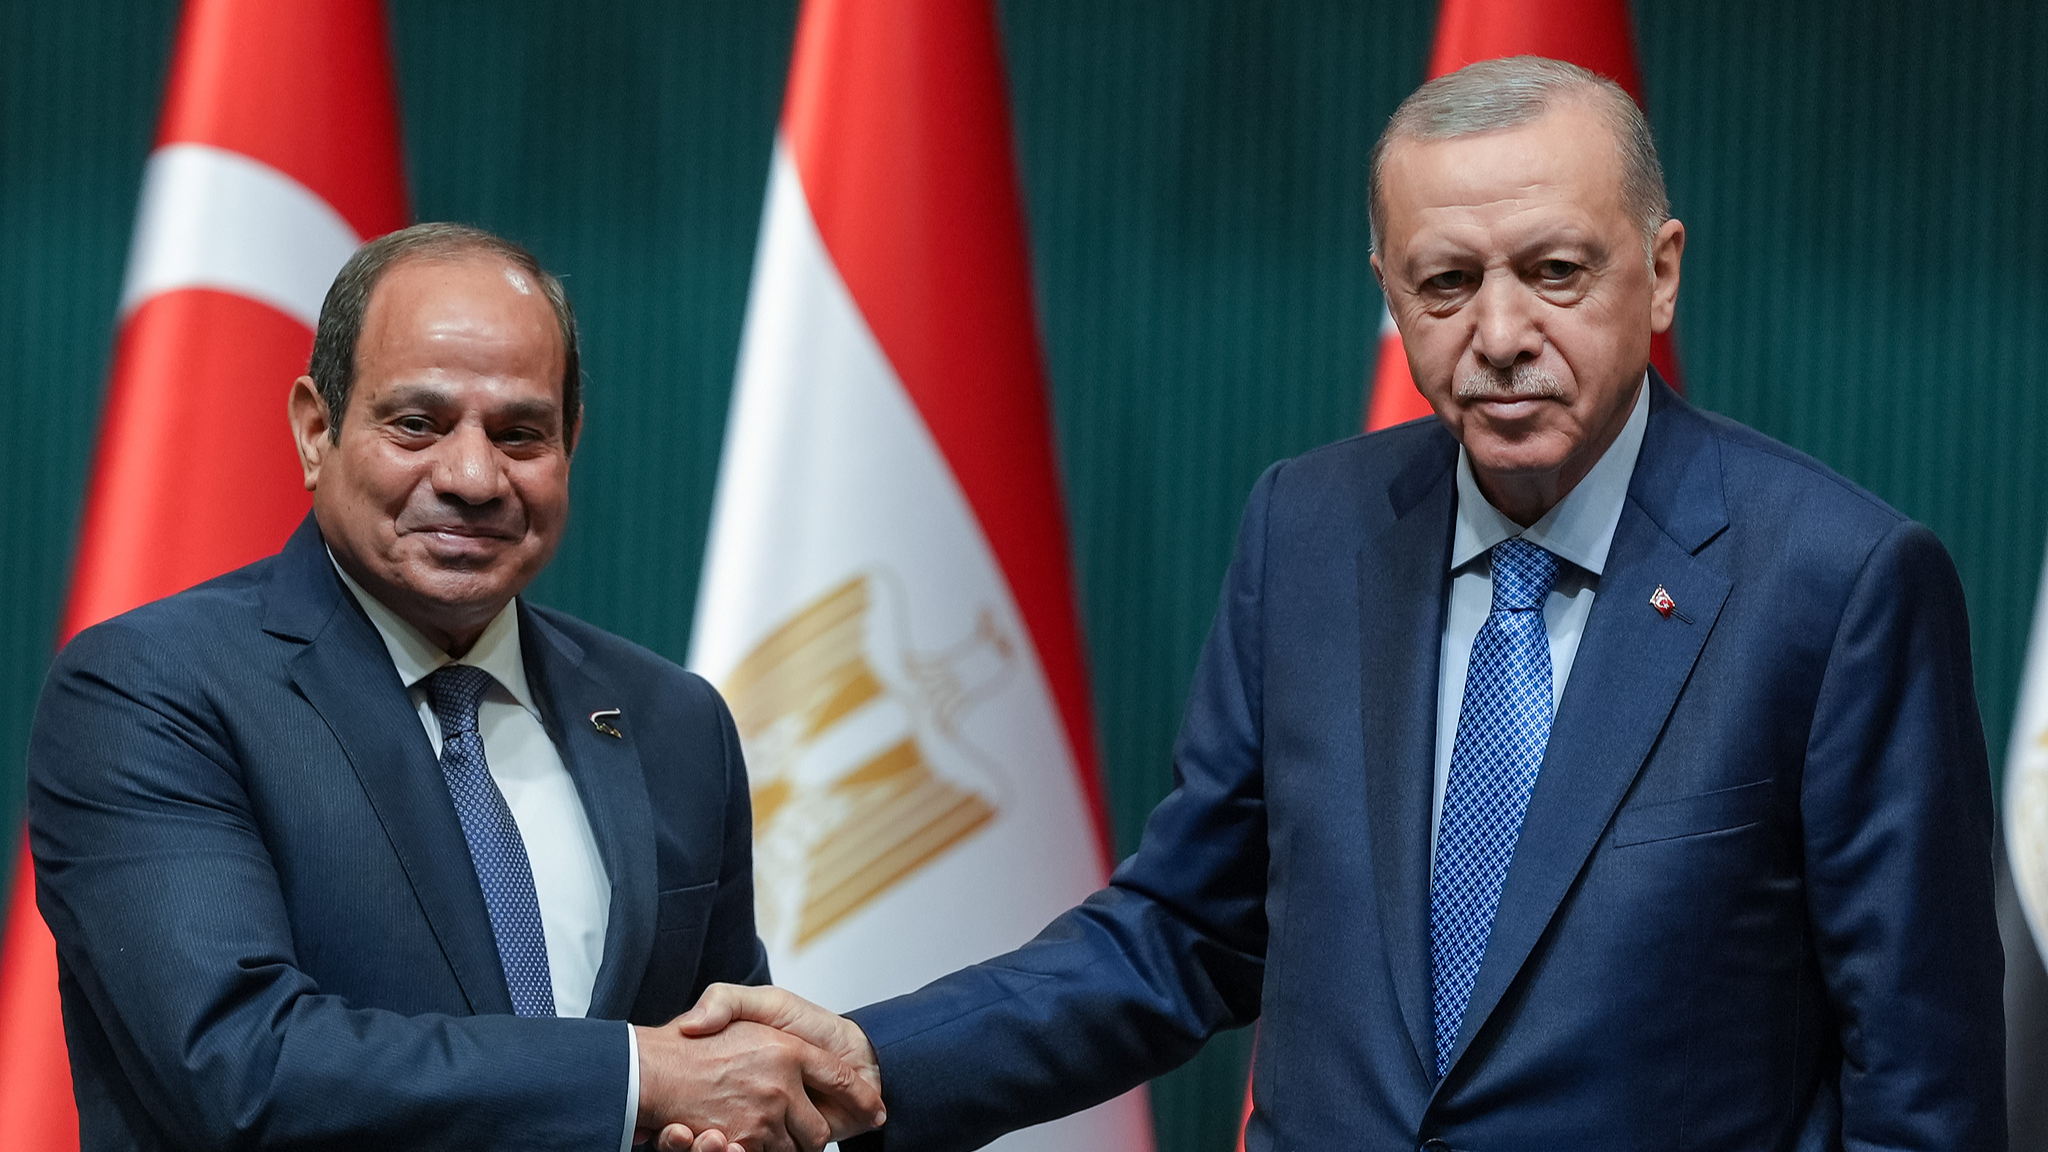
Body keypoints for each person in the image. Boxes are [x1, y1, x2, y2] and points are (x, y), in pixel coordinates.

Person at [667, 56, 2006, 1151]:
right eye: (1446, 283)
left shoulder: (1837, 582)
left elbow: (1919, 1080)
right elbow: (1184, 934)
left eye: (1554, 272)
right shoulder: (1310, 531)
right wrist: (870, 1058)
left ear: (1658, 272)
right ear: (1390, 298)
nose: (1498, 332)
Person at [27, 223, 881, 1152]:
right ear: (319, 432)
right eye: (418, 425)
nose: (474, 477)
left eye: (520, 434)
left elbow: (721, 1062)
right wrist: (636, 1079)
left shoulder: (674, 722)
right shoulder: (154, 690)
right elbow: (240, 1068)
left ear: (570, 445)